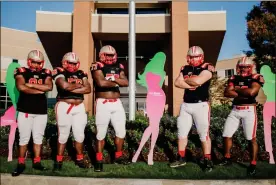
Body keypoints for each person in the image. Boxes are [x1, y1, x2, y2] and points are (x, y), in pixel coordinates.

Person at [170, 46, 215, 172]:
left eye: (196, 56)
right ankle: (181, 157)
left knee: (203, 134)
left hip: (201, 105)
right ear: (188, 57)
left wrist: (187, 80)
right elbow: (177, 83)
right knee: (181, 132)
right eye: (192, 56)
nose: (194, 59)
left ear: (202, 56)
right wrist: (192, 82)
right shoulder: (184, 68)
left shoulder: (208, 66)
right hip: (186, 104)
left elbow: (199, 80)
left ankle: (207, 160)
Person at [219, 57, 264, 176]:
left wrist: (236, 89)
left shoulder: (256, 77)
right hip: (235, 110)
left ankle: (253, 163)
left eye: (246, 66)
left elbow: (252, 93)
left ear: (251, 67)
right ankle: (227, 158)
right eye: (241, 66)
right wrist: (242, 91)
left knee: (251, 138)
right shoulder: (234, 77)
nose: (243, 69)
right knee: (226, 134)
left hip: (249, 110)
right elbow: (227, 93)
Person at [12, 50, 53, 176]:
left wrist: (30, 85)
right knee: (24, 138)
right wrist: (39, 90)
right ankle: (20, 164)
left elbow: (49, 87)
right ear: (29, 61)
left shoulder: (46, 72)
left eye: (39, 62)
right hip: (25, 110)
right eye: (34, 62)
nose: (36, 65)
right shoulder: (22, 71)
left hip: (41, 112)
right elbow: (21, 87)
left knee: (38, 138)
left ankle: (37, 162)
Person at [91, 45, 129, 172]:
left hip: (117, 102)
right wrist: (117, 81)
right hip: (103, 102)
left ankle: (118, 157)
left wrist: (111, 79)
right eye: (107, 55)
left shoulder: (120, 66)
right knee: (101, 132)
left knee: (121, 131)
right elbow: (101, 83)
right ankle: (99, 159)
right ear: (101, 55)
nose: (109, 57)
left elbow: (126, 82)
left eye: (111, 55)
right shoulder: (97, 66)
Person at [52, 52, 91, 171]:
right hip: (64, 104)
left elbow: (88, 88)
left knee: (79, 134)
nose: (72, 66)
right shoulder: (59, 71)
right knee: (63, 135)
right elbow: (64, 86)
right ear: (65, 62)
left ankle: (79, 159)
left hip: (79, 106)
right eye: (70, 63)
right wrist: (79, 86)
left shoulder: (81, 73)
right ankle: (58, 160)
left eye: (74, 63)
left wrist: (71, 86)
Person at [131, 52, 166, 165]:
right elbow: (152, 86)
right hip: (152, 98)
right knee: (153, 126)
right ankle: (141, 151)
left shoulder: (162, 72)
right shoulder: (149, 71)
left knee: (154, 126)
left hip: (160, 98)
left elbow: (159, 87)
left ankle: (148, 153)